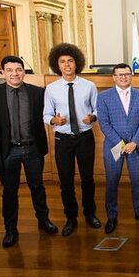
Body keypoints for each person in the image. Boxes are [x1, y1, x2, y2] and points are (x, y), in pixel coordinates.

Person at [0, 56, 58, 248]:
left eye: (18, 69)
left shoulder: (38, 92)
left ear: (24, 71)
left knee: (38, 188)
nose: (15, 74)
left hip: (33, 148)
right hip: (9, 151)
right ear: (2, 73)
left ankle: (44, 221)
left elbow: (49, 114)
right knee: (9, 191)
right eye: (10, 70)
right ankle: (10, 230)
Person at [43, 43, 101, 236]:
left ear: (77, 63)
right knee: (65, 181)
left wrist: (92, 117)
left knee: (87, 179)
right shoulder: (51, 89)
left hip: (85, 137)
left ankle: (90, 213)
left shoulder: (89, 86)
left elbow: (97, 109)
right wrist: (54, 120)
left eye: (70, 61)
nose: (67, 65)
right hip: (63, 139)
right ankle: (71, 217)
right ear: (57, 65)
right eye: (62, 62)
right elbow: (46, 114)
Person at [96, 63, 139, 234]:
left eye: (126, 74)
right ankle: (112, 216)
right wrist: (121, 144)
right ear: (114, 77)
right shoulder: (104, 97)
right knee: (112, 182)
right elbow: (104, 124)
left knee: (137, 182)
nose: (123, 77)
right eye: (120, 75)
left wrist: (134, 142)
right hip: (114, 147)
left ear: (131, 75)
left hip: (135, 146)